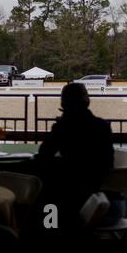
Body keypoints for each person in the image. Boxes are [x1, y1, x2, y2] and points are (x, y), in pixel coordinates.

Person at [34, 82, 114, 232]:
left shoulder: (62, 127)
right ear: (87, 101)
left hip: (66, 197)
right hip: (95, 193)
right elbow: (108, 162)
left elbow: (44, 154)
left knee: (45, 207)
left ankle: (48, 229)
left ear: (64, 102)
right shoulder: (102, 126)